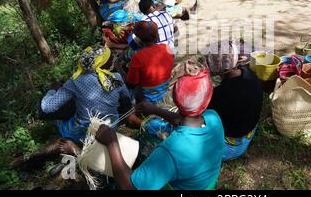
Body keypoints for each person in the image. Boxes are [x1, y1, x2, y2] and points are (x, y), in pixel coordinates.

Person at [93, 69, 225, 190]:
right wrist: (154, 109)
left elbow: (129, 187)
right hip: (206, 183)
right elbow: (182, 120)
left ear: (175, 98)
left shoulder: (171, 151)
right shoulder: (213, 117)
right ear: (206, 101)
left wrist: (112, 143)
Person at [205, 40, 263, 161]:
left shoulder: (220, 94)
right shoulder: (250, 74)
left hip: (232, 148)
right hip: (249, 133)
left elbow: (205, 119)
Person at [123, 21, 174, 104]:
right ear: (156, 36)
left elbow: (131, 84)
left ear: (138, 40)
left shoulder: (137, 57)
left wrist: (119, 68)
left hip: (148, 99)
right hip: (165, 90)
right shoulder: (166, 48)